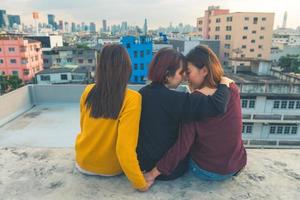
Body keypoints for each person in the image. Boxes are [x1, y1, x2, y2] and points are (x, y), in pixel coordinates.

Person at [145, 45, 247, 184]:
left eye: (188, 72)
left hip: (208, 171)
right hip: (236, 164)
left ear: (204, 70)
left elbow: (182, 146)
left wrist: (152, 174)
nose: (186, 78)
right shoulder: (230, 87)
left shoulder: (195, 100)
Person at [75, 44, 149, 191]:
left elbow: (84, 128)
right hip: (110, 169)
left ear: (100, 67)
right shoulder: (132, 99)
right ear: (126, 67)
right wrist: (141, 183)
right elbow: (125, 149)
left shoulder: (88, 91)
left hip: (82, 162)